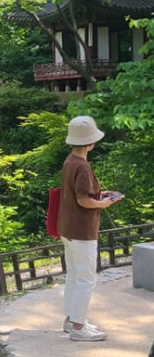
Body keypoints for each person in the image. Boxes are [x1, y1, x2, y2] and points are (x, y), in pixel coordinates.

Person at [57, 115, 120, 342]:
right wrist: (103, 203)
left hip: (67, 227)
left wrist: (98, 196)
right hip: (82, 229)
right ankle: (78, 326)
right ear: (91, 143)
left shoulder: (69, 161)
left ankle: (71, 320)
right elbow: (84, 200)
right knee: (86, 279)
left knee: (74, 275)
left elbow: (79, 196)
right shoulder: (83, 167)